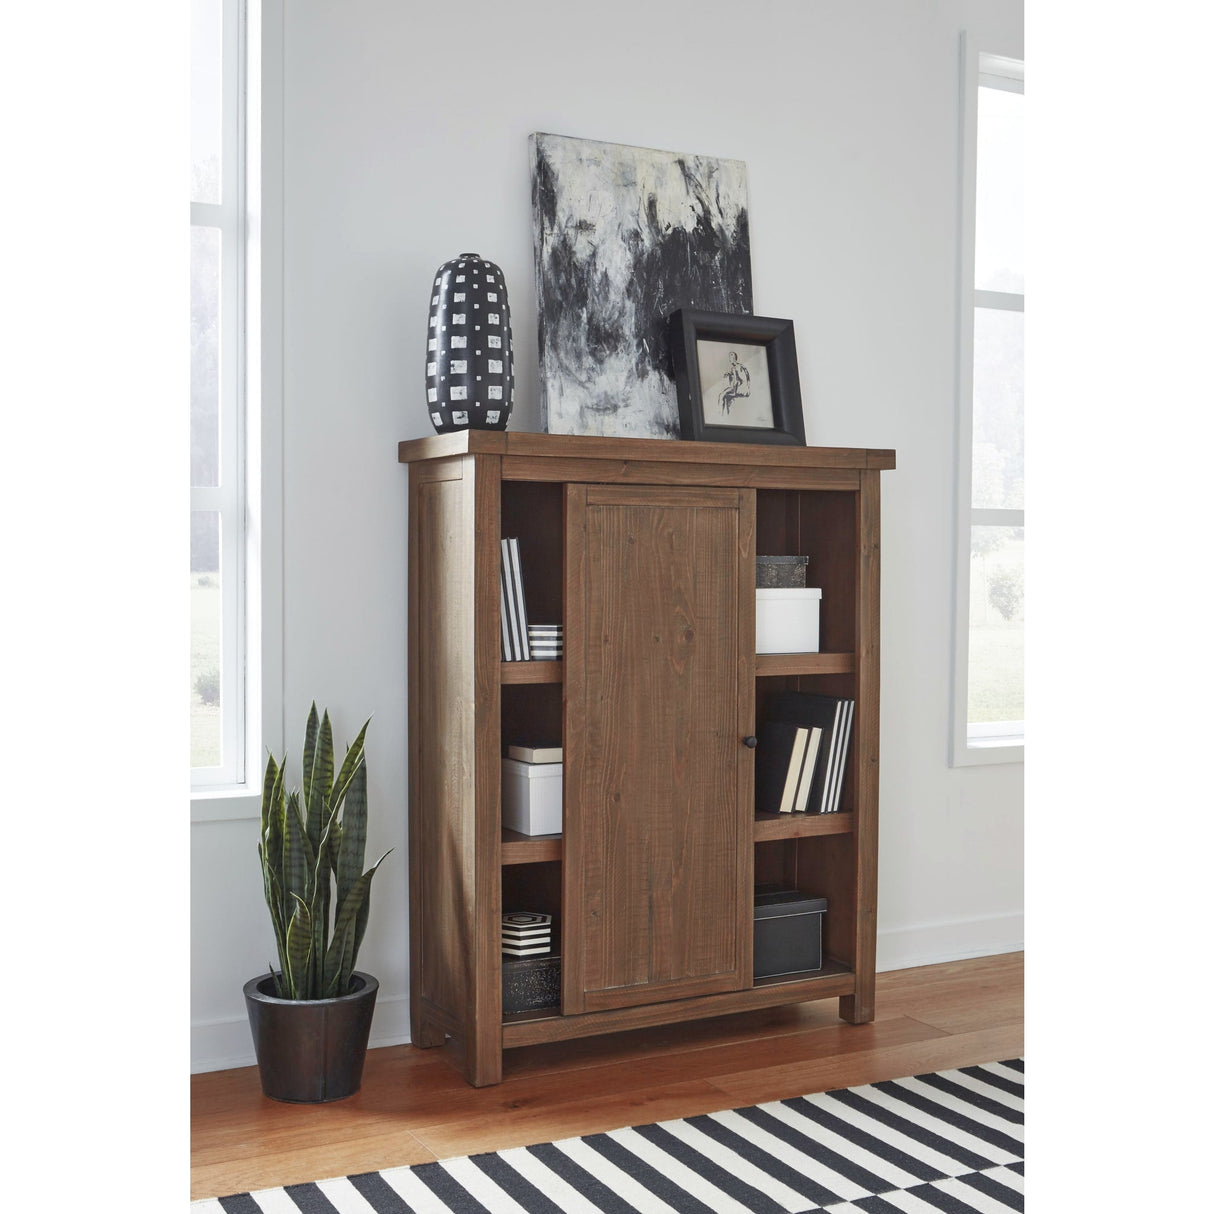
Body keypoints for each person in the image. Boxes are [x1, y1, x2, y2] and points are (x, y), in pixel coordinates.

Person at [718, 350, 751, 416]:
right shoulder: (740, 366)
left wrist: (734, 393)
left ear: (733, 358)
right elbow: (746, 378)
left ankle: (720, 415)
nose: (729, 359)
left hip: (741, 390)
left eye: (730, 358)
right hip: (745, 389)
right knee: (725, 393)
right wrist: (729, 374)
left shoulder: (735, 368)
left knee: (721, 395)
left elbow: (737, 381)